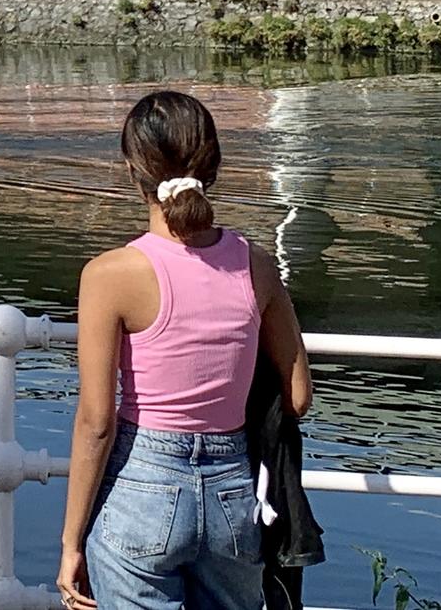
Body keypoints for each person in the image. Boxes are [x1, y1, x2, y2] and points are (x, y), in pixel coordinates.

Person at [56, 92, 313, 610]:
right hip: (231, 493)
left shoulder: (110, 275)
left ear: (132, 169)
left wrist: (70, 543)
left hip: (141, 485)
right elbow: (299, 395)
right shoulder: (256, 265)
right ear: (213, 164)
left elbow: (97, 421)